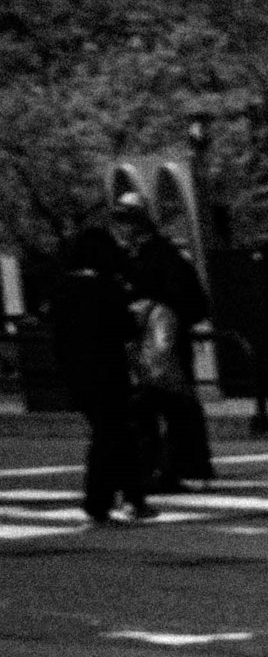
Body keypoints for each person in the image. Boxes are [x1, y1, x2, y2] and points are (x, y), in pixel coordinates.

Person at [47, 222, 154, 525]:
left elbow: (58, 339)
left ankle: (130, 497)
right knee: (113, 435)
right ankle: (103, 500)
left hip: (78, 374)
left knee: (115, 433)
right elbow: (125, 328)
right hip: (108, 370)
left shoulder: (63, 289)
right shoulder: (104, 287)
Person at [108, 193, 213, 492]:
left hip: (162, 342)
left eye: (127, 220)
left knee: (165, 408)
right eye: (120, 221)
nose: (122, 227)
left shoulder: (159, 257)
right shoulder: (141, 256)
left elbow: (188, 300)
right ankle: (165, 467)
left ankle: (166, 468)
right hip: (149, 343)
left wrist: (148, 308)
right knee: (162, 408)